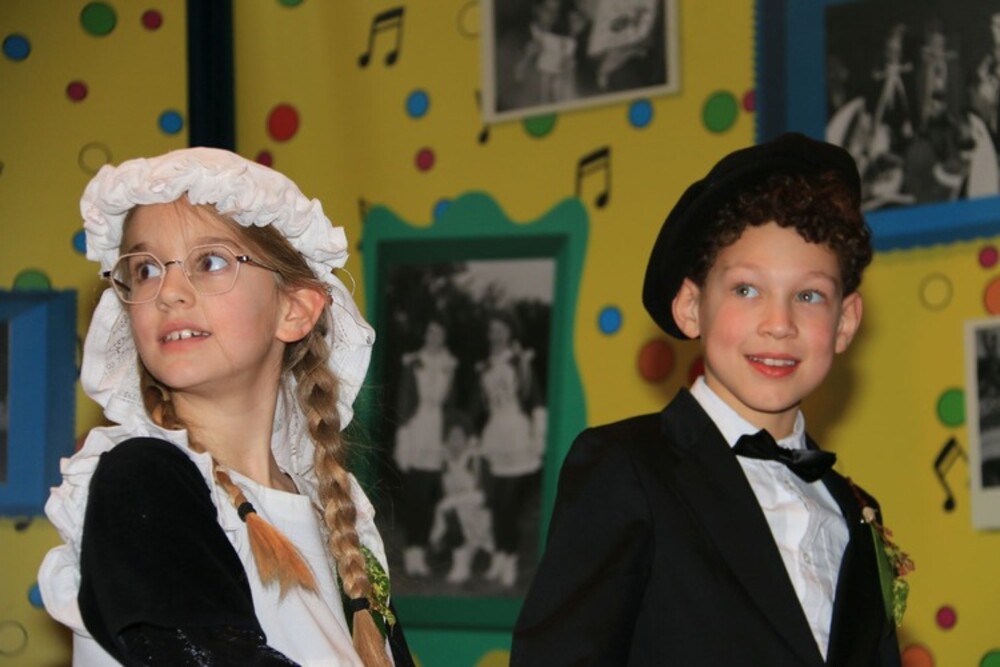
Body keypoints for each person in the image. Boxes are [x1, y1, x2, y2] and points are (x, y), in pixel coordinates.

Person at [511, 133, 909, 665]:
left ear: (846, 321)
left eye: (809, 295)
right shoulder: (627, 469)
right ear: (691, 307)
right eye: (746, 289)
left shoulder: (855, 511)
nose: (779, 324)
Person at [38, 148, 413, 667]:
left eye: (210, 262)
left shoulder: (340, 521)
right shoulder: (142, 481)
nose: (168, 292)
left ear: (294, 309)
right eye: (145, 269)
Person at [476, 312, 546, 588]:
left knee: (509, 503)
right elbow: (480, 405)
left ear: (510, 333)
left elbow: (535, 400)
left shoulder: (521, 361)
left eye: (501, 329)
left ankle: (511, 558)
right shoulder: (484, 366)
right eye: (492, 329)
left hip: (517, 434)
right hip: (494, 434)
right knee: (495, 502)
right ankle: (499, 556)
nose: (495, 334)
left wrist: (538, 437)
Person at [392, 318, 457, 577]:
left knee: (431, 498)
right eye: (431, 331)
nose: (434, 337)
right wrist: (403, 438)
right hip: (416, 430)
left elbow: (452, 404)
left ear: (444, 337)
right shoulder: (413, 363)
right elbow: (404, 400)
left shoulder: (450, 365)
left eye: (439, 333)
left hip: (438, 432)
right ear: (425, 335)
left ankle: (425, 549)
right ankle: (413, 553)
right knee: (415, 496)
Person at [428, 409, 495, 584]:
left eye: (459, 436)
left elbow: (485, 495)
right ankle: (459, 562)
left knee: (452, 510)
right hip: (452, 513)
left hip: (478, 512)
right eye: (451, 437)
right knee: (450, 513)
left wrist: (453, 501)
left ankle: (464, 561)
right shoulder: (443, 461)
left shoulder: (476, 460)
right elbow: (439, 495)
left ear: (467, 438)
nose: (455, 441)